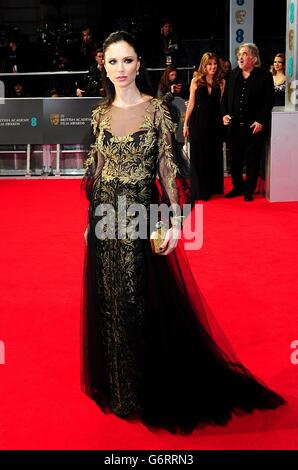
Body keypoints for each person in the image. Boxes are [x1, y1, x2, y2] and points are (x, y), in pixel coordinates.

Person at [81, 31, 285, 435]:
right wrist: (91, 223)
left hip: (140, 217)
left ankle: (147, 387)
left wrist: (174, 222)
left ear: (140, 64)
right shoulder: (99, 114)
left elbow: (170, 168)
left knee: (141, 303)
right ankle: (122, 388)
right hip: (106, 218)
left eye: (127, 60)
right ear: (102, 65)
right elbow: (97, 168)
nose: (120, 69)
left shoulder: (157, 110)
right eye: (112, 61)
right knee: (111, 303)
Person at [221, 43, 275, 202]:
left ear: (253, 57)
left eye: (244, 54)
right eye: (239, 54)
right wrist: (224, 115)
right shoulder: (232, 75)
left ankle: (248, 190)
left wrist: (261, 120)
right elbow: (224, 100)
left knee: (252, 160)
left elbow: (269, 101)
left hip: (254, 126)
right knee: (235, 160)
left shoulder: (264, 76)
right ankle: (237, 186)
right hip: (235, 126)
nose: (240, 57)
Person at [183, 52, 225, 202]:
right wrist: (185, 124)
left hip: (214, 122)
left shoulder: (221, 82)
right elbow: (191, 103)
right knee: (199, 155)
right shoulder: (196, 81)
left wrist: (224, 119)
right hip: (198, 121)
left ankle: (213, 187)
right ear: (204, 65)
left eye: (214, 64)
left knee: (212, 154)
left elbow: (220, 104)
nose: (213, 67)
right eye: (209, 64)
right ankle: (200, 190)